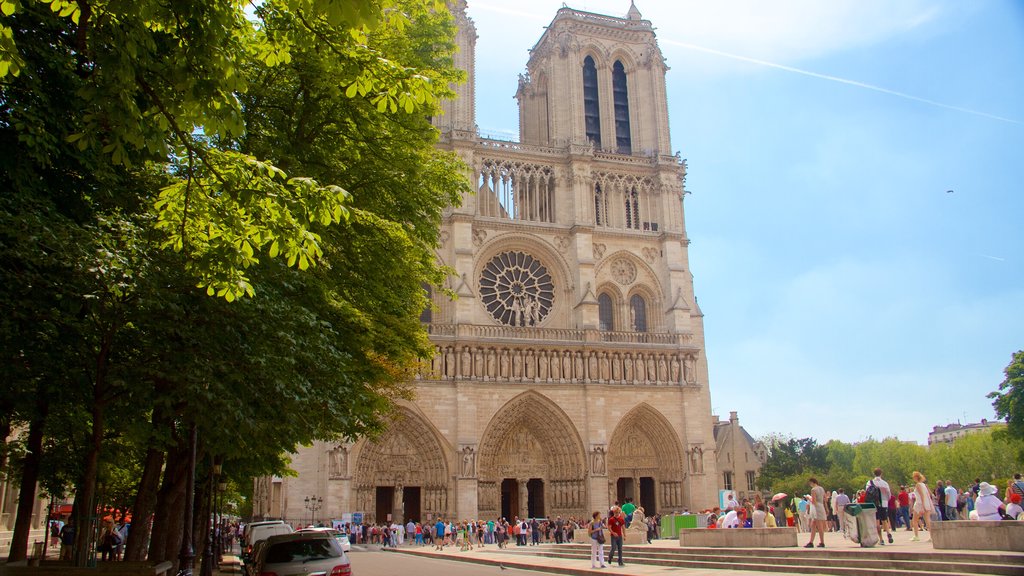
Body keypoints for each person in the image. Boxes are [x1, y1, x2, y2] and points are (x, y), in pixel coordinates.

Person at [866, 467, 893, 545]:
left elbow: (868, 493)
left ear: (873, 473)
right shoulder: (885, 483)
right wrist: (886, 500)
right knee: (884, 520)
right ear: (881, 473)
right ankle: (888, 533)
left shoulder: (870, 482)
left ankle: (881, 539)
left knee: (877, 521)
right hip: (884, 503)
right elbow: (889, 494)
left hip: (874, 503)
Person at [910, 471, 933, 541]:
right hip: (926, 503)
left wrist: (922, 506)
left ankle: (916, 536)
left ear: (916, 477)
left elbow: (921, 495)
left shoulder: (918, 485)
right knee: (927, 520)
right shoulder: (924, 485)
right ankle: (932, 536)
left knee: (915, 520)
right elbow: (929, 494)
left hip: (919, 503)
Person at [805, 478, 826, 548]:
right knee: (813, 524)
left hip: (816, 508)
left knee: (819, 526)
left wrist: (808, 498)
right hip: (821, 506)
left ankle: (822, 542)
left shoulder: (813, 490)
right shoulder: (821, 489)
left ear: (812, 482)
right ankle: (811, 542)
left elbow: (813, 501)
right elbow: (825, 499)